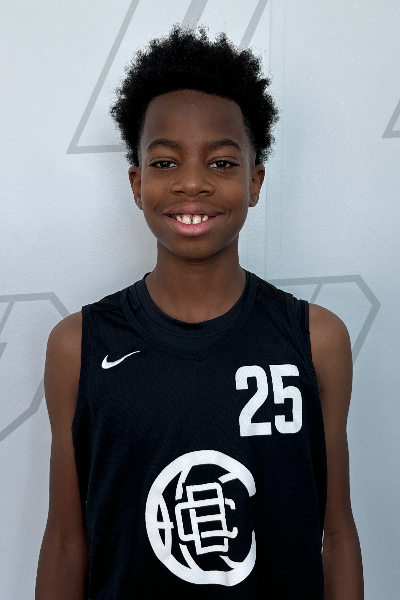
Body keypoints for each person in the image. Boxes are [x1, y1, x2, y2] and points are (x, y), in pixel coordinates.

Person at [35, 25, 364, 599]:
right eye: (165, 163)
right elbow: (66, 542)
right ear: (136, 183)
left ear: (255, 181)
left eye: (221, 162)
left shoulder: (316, 340)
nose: (192, 183)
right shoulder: (78, 345)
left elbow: (335, 536)